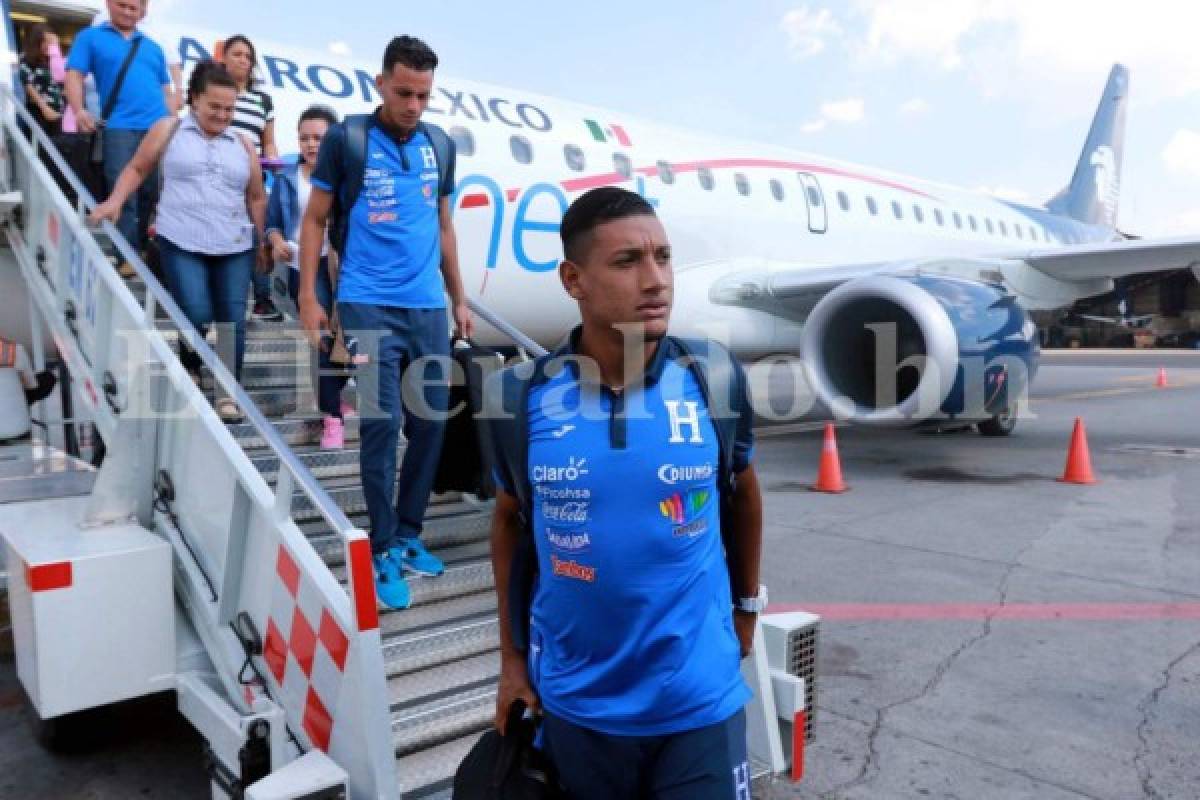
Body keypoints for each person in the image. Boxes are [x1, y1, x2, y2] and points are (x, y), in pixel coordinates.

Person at [488, 187, 765, 800]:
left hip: (699, 703)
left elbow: (742, 493)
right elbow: (509, 523)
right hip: (579, 705)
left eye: (663, 258)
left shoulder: (712, 376)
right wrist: (511, 661)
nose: (656, 280)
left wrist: (748, 605)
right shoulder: (516, 398)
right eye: (627, 262)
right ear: (573, 279)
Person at [298, 35, 473, 610]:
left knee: (431, 426)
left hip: (427, 307)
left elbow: (444, 225)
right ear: (380, 83)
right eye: (404, 92)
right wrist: (308, 294)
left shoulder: (439, 145)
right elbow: (316, 219)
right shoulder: (348, 140)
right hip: (367, 301)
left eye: (423, 94)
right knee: (380, 422)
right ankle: (380, 548)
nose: (414, 105)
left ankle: (408, 533)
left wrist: (459, 296)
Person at [90, 61, 267, 424]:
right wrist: (115, 201)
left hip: (234, 242)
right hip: (181, 238)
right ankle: (192, 365)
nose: (222, 115)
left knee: (233, 319)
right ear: (195, 100)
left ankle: (227, 394)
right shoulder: (169, 129)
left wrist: (261, 240)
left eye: (229, 108)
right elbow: (138, 168)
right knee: (196, 312)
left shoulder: (243, 143)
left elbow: (256, 196)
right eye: (214, 106)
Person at [266, 104, 348, 448]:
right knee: (324, 340)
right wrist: (276, 241)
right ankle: (333, 418)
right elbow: (272, 223)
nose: (311, 144)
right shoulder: (287, 178)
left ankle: (333, 399)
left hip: (343, 266)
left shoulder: (347, 177)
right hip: (306, 267)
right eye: (304, 138)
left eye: (319, 137)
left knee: (349, 339)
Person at [65, 0, 172, 257]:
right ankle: (126, 255)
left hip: (158, 128)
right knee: (122, 193)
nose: (127, 11)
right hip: (119, 126)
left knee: (152, 193)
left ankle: (144, 251)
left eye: (133, 7)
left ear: (143, 11)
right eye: (121, 5)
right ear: (109, 4)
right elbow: (74, 75)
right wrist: (79, 109)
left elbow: (165, 91)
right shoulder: (90, 37)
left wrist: (173, 124)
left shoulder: (154, 48)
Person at [221, 34, 282, 322]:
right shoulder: (217, 94)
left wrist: (273, 160)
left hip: (254, 177)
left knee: (260, 231)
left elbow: (268, 141)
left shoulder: (263, 100)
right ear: (224, 58)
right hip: (219, 177)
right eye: (237, 54)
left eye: (248, 56)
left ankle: (262, 298)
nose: (243, 60)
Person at [19, 24, 66, 136]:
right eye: (46, 41)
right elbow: (27, 84)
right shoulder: (26, 59)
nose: (48, 45)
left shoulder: (54, 60)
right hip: (39, 111)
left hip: (58, 112)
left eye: (51, 42)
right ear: (36, 42)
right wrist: (44, 108)